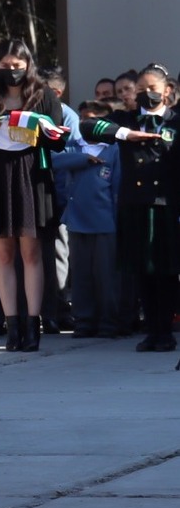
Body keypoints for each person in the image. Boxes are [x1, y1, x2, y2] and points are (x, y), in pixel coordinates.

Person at [0, 40, 147, 351]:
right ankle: (11, 325)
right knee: (3, 255)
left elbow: (57, 145)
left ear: (28, 65)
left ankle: (33, 323)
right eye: (5, 66)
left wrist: (46, 134)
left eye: (17, 66)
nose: (12, 72)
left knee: (32, 253)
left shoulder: (43, 96)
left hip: (32, 176)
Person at [104, 66, 178, 353]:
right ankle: (150, 331)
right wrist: (126, 134)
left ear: (166, 90)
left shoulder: (175, 122)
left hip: (167, 204)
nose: (148, 94)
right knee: (142, 270)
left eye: (153, 88)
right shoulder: (127, 119)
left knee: (166, 271)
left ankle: (165, 330)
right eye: (142, 89)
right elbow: (90, 128)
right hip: (135, 203)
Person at [54, 102, 121, 341]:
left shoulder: (114, 150)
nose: (89, 124)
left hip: (105, 222)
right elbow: (54, 161)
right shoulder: (73, 146)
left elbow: (117, 189)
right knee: (81, 274)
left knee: (105, 275)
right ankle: (84, 321)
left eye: (96, 120)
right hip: (76, 220)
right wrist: (84, 159)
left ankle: (109, 321)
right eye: (85, 119)